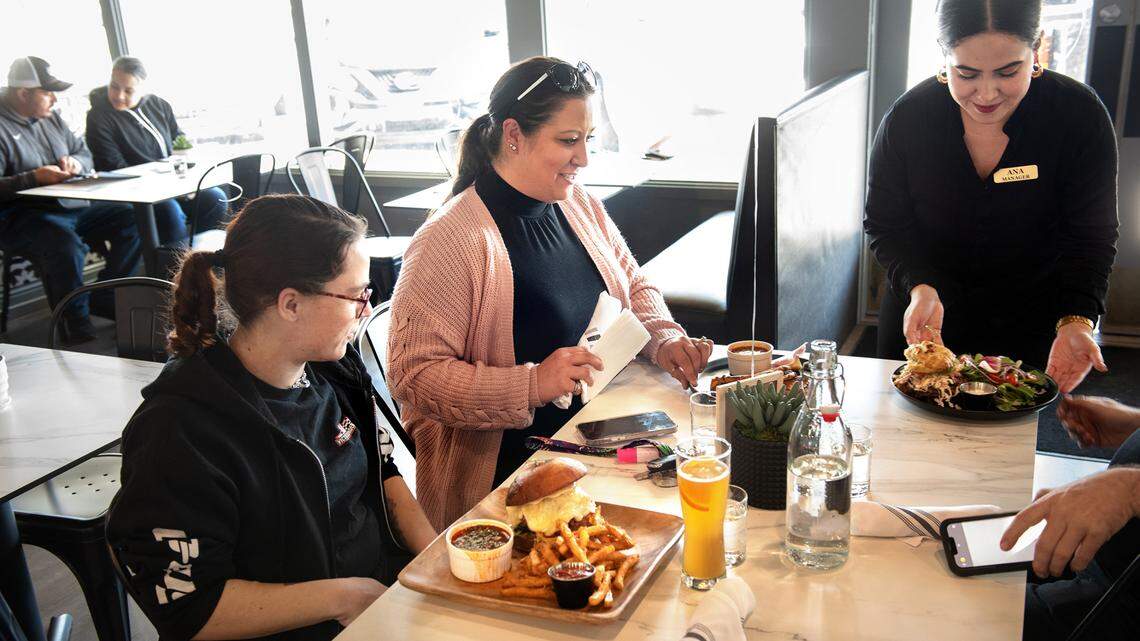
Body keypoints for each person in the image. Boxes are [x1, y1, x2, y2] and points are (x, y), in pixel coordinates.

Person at [386, 56, 713, 530]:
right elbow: (413, 377)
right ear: (514, 135)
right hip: (507, 482)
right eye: (568, 141)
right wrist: (534, 383)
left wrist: (663, 338)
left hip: (594, 438)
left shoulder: (576, 202)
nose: (583, 158)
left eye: (587, 140)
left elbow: (633, 283)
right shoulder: (450, 240)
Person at [105, 194, 436, 641]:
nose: (364, 310)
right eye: (356, 295)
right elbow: (191, 608)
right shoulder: (180, 430)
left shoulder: (331, 369)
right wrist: (343, 596)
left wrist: (435, 560)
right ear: (290, 304)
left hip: (378, 599)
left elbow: (384, 472)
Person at [863, 0, 1119, 393]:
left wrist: (1077, 319)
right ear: (944, 55)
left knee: (1005, 446)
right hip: (927, 316)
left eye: (1008, 71)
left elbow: (1091, 234)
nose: (986, 93)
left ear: (1037, 48)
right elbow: (885, 224)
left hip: (1029, 318)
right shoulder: (909, 119)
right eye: (966, 73)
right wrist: (919, 285)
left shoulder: (1078, 116)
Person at [0, 56, 152, 342]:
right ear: (23, 93)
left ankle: (104, 295)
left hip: (70, 204)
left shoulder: (51, 117)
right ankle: (77, 327)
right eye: (48, 93)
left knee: (135, 216)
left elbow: (83, 152)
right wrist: (33, 178)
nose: (55, 100)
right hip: (21, 215)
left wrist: (76, 165)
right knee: (63, 244)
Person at [1002, 395, 1140, 640]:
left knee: (960, 611)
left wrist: (1130, 490)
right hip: (1103, 546)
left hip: (1122, 596)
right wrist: (1134, 426)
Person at [86, 56, 227, 244]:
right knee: (169, 211)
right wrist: (162, 184)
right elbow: (112, 164)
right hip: (134, 192)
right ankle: (172, 268)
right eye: (114, 86)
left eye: (128, 90)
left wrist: (184, 177)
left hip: (170, 184)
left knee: (215, 198)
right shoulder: (98, 116)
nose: (119, 95)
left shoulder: (159, 105)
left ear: (143, 88)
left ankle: (196, 258)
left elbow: (179, 140)